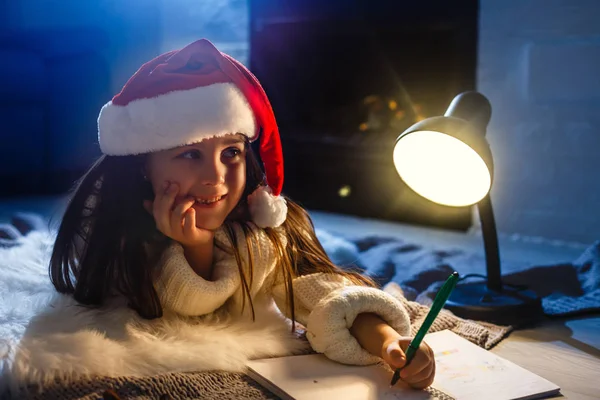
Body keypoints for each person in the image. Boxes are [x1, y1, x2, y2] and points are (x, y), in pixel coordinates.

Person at [48, 39, 435, 390]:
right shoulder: (109, 231)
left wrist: (387, 341)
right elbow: (173, 315)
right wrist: (195, 250)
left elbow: (321, 291)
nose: (216, 176)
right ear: (142, 166)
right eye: (189, 154)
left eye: (230, 153)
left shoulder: (261, 225)